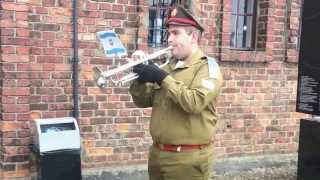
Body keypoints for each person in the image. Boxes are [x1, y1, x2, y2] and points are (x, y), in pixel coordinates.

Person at [129, 4, 223, 180]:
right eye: (169, 33)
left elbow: (194, 103)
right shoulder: (169, 66)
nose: (169, 39)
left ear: (193, 36)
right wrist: (140, 78)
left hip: (188, 160)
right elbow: (143, 101)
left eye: (176, 33)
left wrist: (162, 77)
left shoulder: (207, 68)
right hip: (158, 155)